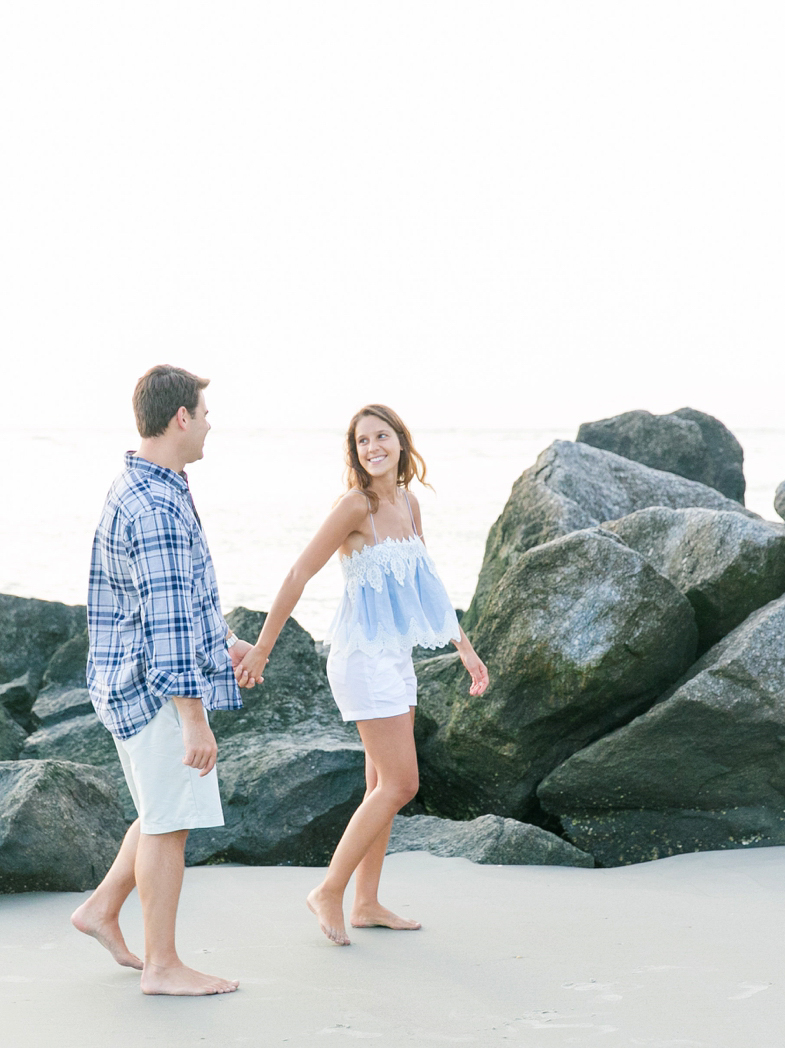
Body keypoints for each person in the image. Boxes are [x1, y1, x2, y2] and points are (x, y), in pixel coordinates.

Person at [236, 404, 489, 945]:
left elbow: (429, 583)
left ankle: (367, 903)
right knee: (402, 783)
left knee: (380, 784)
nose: (372, 446)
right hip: (360, 658)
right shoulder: (356, 505)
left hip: (395, 656)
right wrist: (262, 647)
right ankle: (329, 889)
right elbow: (300, 570)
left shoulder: (410, 504)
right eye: (362, 440)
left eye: (382, 436)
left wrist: (465, 648)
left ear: (401, 441)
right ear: (354, 452)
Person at [69, 364, 253, 996]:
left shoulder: (154, 483)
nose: (209, 426)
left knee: (158, 810)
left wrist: (227, 642)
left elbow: (182, 594)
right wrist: (194, 719)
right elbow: (167, 627)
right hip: (150, 688)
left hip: (127, 676)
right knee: (169, 825)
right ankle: (162, 965)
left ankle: (99, 911)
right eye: (204, 414)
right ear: (181, 418)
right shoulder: (156, 508)